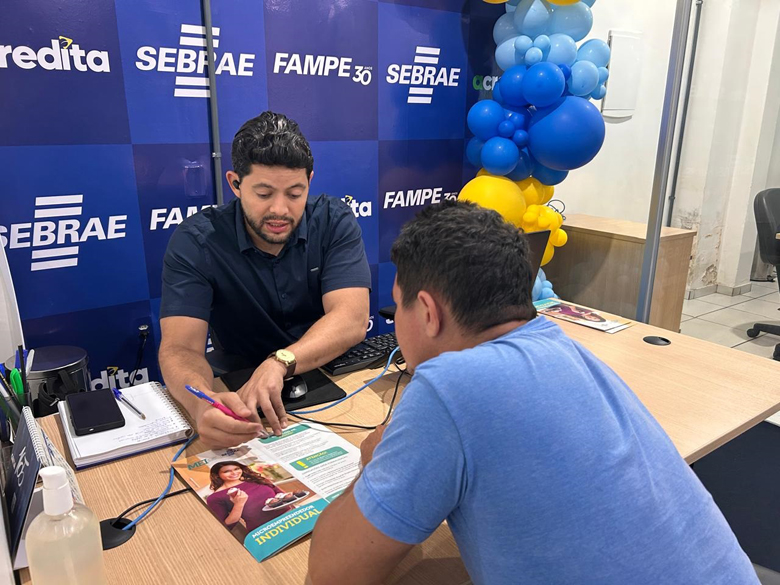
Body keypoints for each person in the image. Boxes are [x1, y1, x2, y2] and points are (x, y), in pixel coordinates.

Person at [308, 201, 758, 585]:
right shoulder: (564, 346)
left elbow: (330, 574)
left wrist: (373, 465)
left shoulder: (449, 388)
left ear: (427, 311)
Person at [158, 111, 371, 448]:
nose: (280, 210)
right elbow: (180, 348)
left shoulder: (333, 220)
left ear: (310, 181)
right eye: (263, 193)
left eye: (295, 193)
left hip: (329, 377)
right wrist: (202, 405)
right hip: (240, 390)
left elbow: (352, 318)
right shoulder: (197, 241)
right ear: (235, 183)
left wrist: (280, 362)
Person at [206, 461, 292, 532]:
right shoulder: (215, 497)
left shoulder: (258, 480)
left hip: (291, 516)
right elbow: (226, 526)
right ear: (217, 474)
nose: (234, 473)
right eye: (227, 471)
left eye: (236, 469)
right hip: (264, 530)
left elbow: (284, 496)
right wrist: (239, 504)